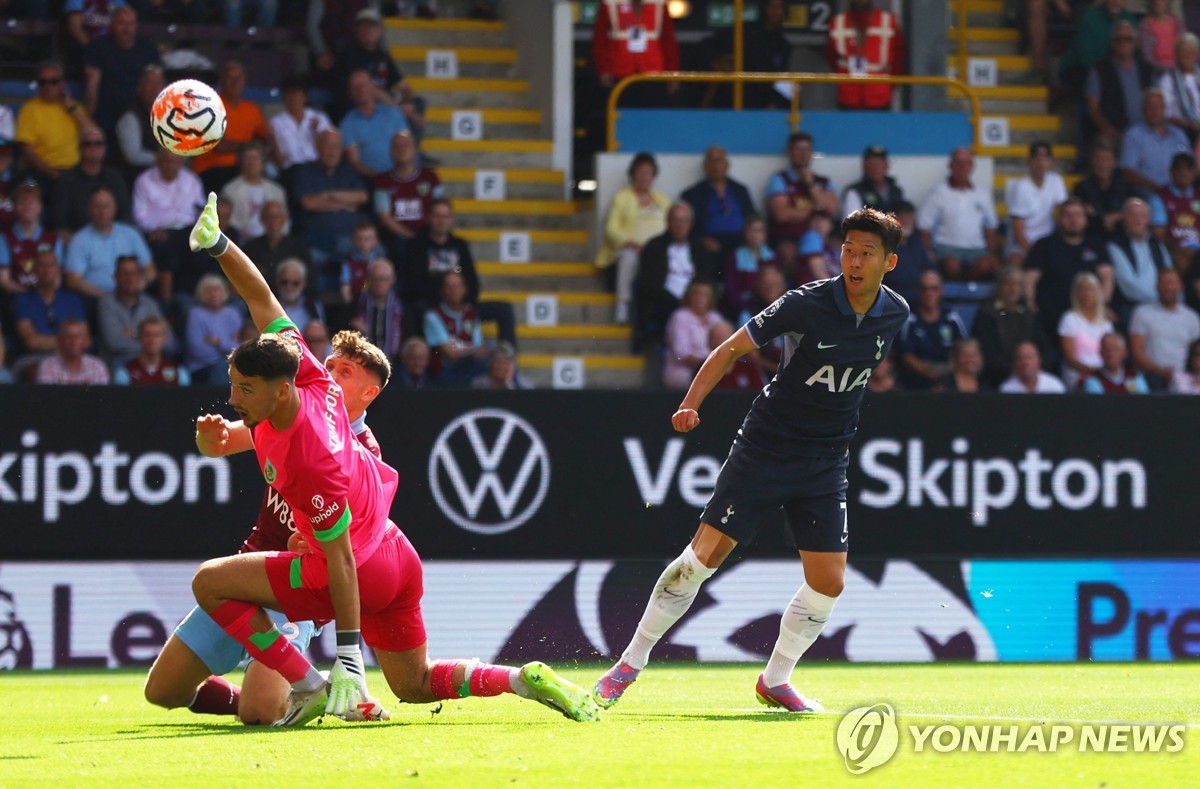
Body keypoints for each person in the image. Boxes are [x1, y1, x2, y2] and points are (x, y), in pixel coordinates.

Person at [186, 194, 600, 725]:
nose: (234, 398)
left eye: (243, 388)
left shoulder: (308, 459)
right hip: (396, 557)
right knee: (416, 684)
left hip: (354, 571)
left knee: (209, 582)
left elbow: (338, 563)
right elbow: (260, 295)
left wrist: (349, 659)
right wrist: (218, 244)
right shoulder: (311, 377)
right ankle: (520, 679)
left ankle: (307, 683)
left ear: (280, 390)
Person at [593, 208, 909, 714]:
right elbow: (729, 349)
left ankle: (775, 680)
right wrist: (690, 403)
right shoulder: (804, 303)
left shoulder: (896, 313)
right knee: (701, 560)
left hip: (827, 459)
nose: (853, 259)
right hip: (767, 448)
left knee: (829, 581)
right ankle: (628, 663)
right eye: (848, 248)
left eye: (866, 252)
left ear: (888, 262)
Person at [144, 328, 390, 725]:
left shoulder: (363, 454)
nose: (329, 373)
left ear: (369, 394)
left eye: (344, 371)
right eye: (328, 364)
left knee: (259, 713)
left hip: (294, 590)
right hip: (250, 571)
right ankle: (301, 695)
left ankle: (305, 691)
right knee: (162, 692)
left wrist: (349, 647)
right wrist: (211, 439)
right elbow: (221, 444)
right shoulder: (291, 411)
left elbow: (351, 550)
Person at [399, 198, 516, 347]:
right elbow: (414, 284)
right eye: (437, 216)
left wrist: (464, 303)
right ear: (429, 217)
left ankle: (507, 357)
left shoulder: (460, 245)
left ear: (451, 219)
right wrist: (445, 302)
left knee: (503, 309)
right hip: (431, 305)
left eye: (445, 216)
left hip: (460, 304)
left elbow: (472, 280)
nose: (441, 221)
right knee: (413, 310)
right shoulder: (416, 245)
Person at [634, 202, 717, 379]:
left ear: (691, 224)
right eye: (676, 220)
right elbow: (649, 285)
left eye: (684, 221)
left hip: (695, 303)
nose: (680, 225)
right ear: (668, 222)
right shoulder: (654, 247)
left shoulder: (699, 248)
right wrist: (678, 303)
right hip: (662, 306)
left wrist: (692, 300)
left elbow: (706, 278)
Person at [594, 152, 670, 325]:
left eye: (648, 172)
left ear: (654, 176)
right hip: (632, 248)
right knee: (629, 257)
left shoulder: (662, 200)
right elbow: (611, 229)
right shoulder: (622, 197)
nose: (644, 177)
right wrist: (630, 242)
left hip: (658, 250)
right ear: (633, 174)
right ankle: (622, 305)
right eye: (641, 172)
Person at [1025, 197, 1114, 339]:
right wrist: (1030, 303)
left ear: (1085, 219)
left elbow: (1107, 278)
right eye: (1068, 215)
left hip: (1087, 312)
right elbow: (1030, 279)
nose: (1073, 220)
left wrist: (1102, 305)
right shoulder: (1044, 245)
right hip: (1051, 314)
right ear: (1059, 219)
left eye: (1078, 215)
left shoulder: (1096, 244)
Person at [133, 145, 207, 305]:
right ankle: (166, 302)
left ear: (181, 163)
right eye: (166, 161)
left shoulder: (191, 179)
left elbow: (201, 207)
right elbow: (139, 215)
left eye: (175, 162)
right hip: (159, 232)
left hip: (187, 229)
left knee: (203, 249)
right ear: (158, 161)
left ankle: (193, 298)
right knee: (165, 249)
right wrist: (153, 229)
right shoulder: (144, 181)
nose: (170, 165)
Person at [292, 129, 369, 282]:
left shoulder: (349, 172)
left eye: (336, 147)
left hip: (352, 241)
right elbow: (309, 203)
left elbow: (362, 197)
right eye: (328, 146)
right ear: (318, 148)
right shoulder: (306, 172)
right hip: (318, 242)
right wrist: (346, 204)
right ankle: (311, 304)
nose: (332, 152)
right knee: (303, 263)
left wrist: (329, 195)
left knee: (376, 253)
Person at [336, 9, 424, 139]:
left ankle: (413, 153)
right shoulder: (351, 54)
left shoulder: (382, 55)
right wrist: (399, 109)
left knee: (419, 103)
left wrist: (409, 103)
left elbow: (404, 86)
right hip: (364, 103)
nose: (368, 30)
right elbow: (371, 90)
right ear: (357, 30)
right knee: (393, 111)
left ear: (380, 29)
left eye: (372, 26)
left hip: (387, 103)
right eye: (364, 26)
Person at [916, 148, 1000, 281]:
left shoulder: (983, 194)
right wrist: (928, 253)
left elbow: (990, 227)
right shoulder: (937, 192)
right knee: (951, 266)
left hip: (977, 250)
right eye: (958, 163)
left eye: (966, 163)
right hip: (946, 248)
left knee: (985, 265)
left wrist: (993, 254)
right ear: (950, 166)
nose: (962, 167)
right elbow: (924, 226)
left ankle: (966, 287)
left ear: (972, 167)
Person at [766, 132, 839, 281]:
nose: (803, 154)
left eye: (807, 150)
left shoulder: (822, 181)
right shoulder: (780, 179)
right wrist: (815, 209)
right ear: (789, 153)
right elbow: (781, 214)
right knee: (788, 252)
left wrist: (810, 184)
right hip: (791, 237)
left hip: (822, 236)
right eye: (799, 149)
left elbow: (832, 209)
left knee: (842, 248)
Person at [191, 61, 272, 196]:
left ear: (244, 82)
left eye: (239, 78)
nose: (235, 82)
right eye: (230, 78)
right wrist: (249, 145)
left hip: (245, 167)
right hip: (212, 169)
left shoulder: (251, 109)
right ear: (221, 82)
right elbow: (219, 146)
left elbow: (264, 139)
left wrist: (257, 145)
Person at [82, 5, 161, 142]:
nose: (126, 29)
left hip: (139, 116)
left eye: (130, 23)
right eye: (121, 23)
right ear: (112, 25)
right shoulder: (98, 47)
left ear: (136, 26)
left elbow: (156, 83)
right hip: (107, 115)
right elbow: (91, 85)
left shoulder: (147, 48)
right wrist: (90, 120)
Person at [15, 60, 95, 191]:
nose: (48, 86)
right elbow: (28, 153)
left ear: (62, 83)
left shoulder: (73, 106)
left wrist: (72, 109)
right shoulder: (29, 110)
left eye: (54, 82)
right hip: (43, 172)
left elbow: (94, 133)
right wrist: (55, 175)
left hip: (75, 171)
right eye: (43, 82)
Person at [63, 187, 155, 300]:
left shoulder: (131, 234)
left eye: (106, 206)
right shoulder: (79, 240)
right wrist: (105, 297)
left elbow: (150, 270)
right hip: (96, 298)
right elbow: (73, 280)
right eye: (97, 207)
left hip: (132, 295)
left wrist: (139, 285)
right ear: (89, 210)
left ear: (114, 209)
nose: (102, 211)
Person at [1084, 21, 1156, 152]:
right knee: (1103, 145)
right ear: (1112, 43)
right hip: (1116, 132)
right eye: (1118, 39)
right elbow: (1093, 108)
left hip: (1145, 130)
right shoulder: (1100, 70)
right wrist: (1107, 128)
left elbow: (1155, 102)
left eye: (1128, 39)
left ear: (1135, 42)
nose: (1123, 43)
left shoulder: (1146, 69)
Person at [591, 0, 679, 106]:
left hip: (653, 72)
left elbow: (669, 42)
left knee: (651, 115)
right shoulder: (610, 3)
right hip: (619, 72)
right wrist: (603, 69)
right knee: (621, 114)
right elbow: (600, 40)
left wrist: (673, 73)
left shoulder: (659, 3)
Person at [973, 265, 1049, 388]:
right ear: (1000, 286)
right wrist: (1011, 370)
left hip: (1030, 377)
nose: (1013, 289)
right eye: (1008, 284)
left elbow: (1044, 348)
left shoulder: (1028, 315)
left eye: (1017, 285)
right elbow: (987, 352)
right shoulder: (987, 314)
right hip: (996, 379)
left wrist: (1033, 368)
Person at [372, 130, 443, 261]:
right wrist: (411, 237)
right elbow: (385, 218)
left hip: (427, 235)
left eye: (406, 145)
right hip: (396, 239)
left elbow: (440, 210)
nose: (401, 149)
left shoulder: (431, 178)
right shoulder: (382, 181)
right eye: (397, 146)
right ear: (391, 152)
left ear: (415, 150)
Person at [50, 126, 131, 236]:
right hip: (76, 238)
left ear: (104, 148)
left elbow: (125, 213)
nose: (93, 147)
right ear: (80, 148)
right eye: (87, 144)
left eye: (98, 143)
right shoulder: (66, 180)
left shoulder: (115, 178)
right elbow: (59, 219)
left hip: (112, 236)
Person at [680, 145, 757, 262]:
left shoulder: (740, 190)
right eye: (712, 161)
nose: (716, 166)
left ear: (727, 165)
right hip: (710, 242)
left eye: (719, 161)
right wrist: (701, 240)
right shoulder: (692, 194)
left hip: (740, 240)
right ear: (705, 166)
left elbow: (752, 217)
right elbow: (685, 226)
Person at [894, 270, 968, 390]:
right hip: (918, 376)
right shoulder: (909, 319)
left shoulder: (952, 318)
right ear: (918, 291)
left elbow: (964, 347)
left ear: (941, 291)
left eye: (934, 289)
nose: (929, 293)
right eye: (924, 289)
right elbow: (906, 356)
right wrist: (933, 377)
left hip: (949, 371)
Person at [825, 0, 905, 110]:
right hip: (848, 96)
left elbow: (898, 58)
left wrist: (888, 87)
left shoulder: (888, 21)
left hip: (879, 96)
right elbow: (831, 56)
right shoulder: (837, 23)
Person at [1129, 267, 1200, 390]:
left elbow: (1195, 353)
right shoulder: (1142, 312)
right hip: (1151, 377)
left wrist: (1180, 376)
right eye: (1164, 282)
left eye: (1172, 282)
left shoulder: (1191, 317)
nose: (1168, 287)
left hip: (1185, 380)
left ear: (1180, 286)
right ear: (1157, 286)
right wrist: (1162, 372)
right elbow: (1137, 352)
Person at [1003, 142, 1069, 267]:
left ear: (1051, 161)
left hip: (1048, 241)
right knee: (1015, 262)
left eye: (1045, 159)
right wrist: (1036, 254)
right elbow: (1018, 234)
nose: (1041, 164)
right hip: (1021, 245)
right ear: (1029, 161)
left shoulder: (1056, 181)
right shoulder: (1021, 186)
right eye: (1037, 159)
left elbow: (1064, 213)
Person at [97, 254, 170, 366]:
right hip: (120, 363)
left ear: (140, 276)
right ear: (116, 277)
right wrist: (151, 343)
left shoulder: (150, 303)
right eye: (125, 274)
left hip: (149, 363)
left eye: (134, 273)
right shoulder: (106, 302)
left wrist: (133, 334)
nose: (130, 278)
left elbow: (170, 341)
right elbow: (114, 343)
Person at [12, 250, 86, 359]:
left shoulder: (72, 300)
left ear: (58, 270)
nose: (46, 270)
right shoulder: (23, 300)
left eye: (51, 265)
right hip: (35, 358)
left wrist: (48, 341)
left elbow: (85, 338)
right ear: (34, 270)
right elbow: (32, 342)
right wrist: (69, 341)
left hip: (70, 357)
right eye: (41, 265)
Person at [341, 69, 411, 182]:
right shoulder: (347, 123)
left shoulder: (393, 114)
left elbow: (408, 145)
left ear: (373, 87)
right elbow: (354, 162)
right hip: (371, 180)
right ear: (350, 93)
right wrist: (380, 178)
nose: (361, 89)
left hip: (401, 177)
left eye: (364, 85)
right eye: (356, 87)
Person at [1108, 197, 1172, 317]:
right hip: (1133, 307)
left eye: (1142, 216)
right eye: (1133, 215)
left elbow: (1169, 276)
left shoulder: (1157, 245)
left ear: (1148, 220)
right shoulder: (1115, 245)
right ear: (1124, 218)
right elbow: (1128, 285)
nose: (1138, 220)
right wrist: (1160, 299)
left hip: (1162, 304)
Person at [422, 269, 488, 387]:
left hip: (471, 368)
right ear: (442, 291)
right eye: (449, 287)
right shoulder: (433, 316)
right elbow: (449, 353)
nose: (454, 291)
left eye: (457, 286)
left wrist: (464, 350)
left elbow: (480, 349)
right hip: (445, 371)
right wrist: (471, 350)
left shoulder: (472, 315)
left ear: (464, 289)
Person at [1121, 90, 1193, 192]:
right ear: (1143, 110)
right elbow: (1128, 172)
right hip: (1150, 193)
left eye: (1159, 106)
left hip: (1181, 192)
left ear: (1164, 109)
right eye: (1151, 107)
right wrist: (1159, 190)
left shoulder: (1179, 134)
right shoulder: (1133, 136)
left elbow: (1190, 166)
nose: (1155, 110)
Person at [662, 280, 728, 389]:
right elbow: (682, 355)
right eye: (696, 294)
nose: (700, 298)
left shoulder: (715, 317)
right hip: (684, 371)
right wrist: (709, 363)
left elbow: (726, 346)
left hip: (712, 368)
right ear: (688, 296)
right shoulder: (679, 317)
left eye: (705, 294)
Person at [0, 181, 61, 296]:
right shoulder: (4, 238)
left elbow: (57, 279)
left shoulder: (53, 239)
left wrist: (40, 298)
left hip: (46, 298)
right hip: (15, 299)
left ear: (40, 206)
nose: (27, 207)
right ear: (15, 207)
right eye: (22, 202)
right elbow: (4, 280)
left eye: (32, 202)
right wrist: (29, 298)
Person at [1058, 271, 1115, 389]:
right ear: (1076, 294)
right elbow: (1070, 359)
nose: (1086, 294)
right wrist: (1095, 373)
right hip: (1078, 375)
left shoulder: (1106, 324)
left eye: (1090, 289)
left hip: (1103, 375)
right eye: (1082, 290)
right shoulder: (1069, 319)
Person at [220, 142, 287, 242]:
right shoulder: (229, 189)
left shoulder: (277, 191)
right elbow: (227, 221)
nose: (251, 162)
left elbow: (285, 222)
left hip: (271, 241)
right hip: (241, 242)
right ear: (241, 162)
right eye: (247, 159)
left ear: (263, 163)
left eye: (255, 158)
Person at [241, 201, 313, 292]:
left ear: (284, 219)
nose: (273, 221)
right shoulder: (250, 248)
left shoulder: (298, 248)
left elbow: (309, 280)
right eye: (270, 217)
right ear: (262, 219)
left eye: (277, 217)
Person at [269, 77, 333, 175]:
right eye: (289, 94)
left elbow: (330, 153)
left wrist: (317, 133)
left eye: (297, 94)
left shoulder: (320, 118)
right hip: (291, 171)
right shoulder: (275, 123)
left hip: (317, 169)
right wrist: (271, 137)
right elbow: (279, 161)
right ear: (284, 97)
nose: (293, 98)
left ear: (305, 97)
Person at [185, 274, 242, 385]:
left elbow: (240, 348)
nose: (214, 294)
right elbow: (196, 351)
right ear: (201, 293)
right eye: (209, 291)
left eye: (217, 290)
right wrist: (226, 349)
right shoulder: (195, 314)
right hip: (203, 368)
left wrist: (218, 342)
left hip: (232, 366)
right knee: (222, 368)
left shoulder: (233, 313)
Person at [1073, 140, 1137, 238]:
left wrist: (1101, 217)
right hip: (1093, 238)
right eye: (1098, 159)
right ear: (1092, 162)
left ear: (1114, 163)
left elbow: (1130, 214)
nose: (1101, 164)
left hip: (1120, 237)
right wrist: (1113, 217)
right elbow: (1084, 219)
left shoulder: (1124, 187)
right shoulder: (1081, 188)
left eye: (1106, 159)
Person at [114, 63, 165, 180]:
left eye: (158, 84)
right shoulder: (130, 116)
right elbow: (133, 155)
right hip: (139, 178)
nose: (154, 89)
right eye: (149, 83)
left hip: (169, 174)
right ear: (139, 88)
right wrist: (166, 159)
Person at [721, 216, 776, 323]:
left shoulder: (772, 257)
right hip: (744, 309)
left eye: (759, 231)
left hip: (769, 306)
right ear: (745, 232)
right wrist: (748, 307)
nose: (755, 235)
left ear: (765, 234)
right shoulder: (735, 257)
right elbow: (732, 290)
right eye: (752, 230)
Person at [114, 314, 190, 385]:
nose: (152, 340)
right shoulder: (125, 372)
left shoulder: (179, 372)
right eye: (147, 335)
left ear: (164, 339)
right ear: (140, 338)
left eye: (156, 335)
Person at [1154, 152, 1200, 269]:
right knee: (1182, 263)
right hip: (1173, 252)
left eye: (1188, 169)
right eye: (1179, 169)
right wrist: (1179, 250)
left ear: (1194, 172)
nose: (1183, 173)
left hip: (1197, 252)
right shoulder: (1160, 197)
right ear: (1171, 171)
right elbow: (1158, 234)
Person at [885, 200, 935, 307]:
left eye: (910, 217)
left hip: (918, 300)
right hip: (890, 300)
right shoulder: (883, 246)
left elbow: (929, 271)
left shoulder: (917, 244)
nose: (907, 222)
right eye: (903, 217)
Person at [351, 258, 404, 360]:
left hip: (395, 362)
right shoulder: (358, 302)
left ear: (393, 279)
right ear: (369, 280)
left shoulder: (401, 305)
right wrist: (354, 326)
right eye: (375, 279)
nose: (380, 283)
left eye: (384, 279)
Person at [35, 317, 110, 384]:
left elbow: (101, 398)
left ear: (86, 341)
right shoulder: (48, 366)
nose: (73, 341)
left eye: (78, 337)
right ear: (60, 340)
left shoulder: (97, 367)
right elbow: (46, 398)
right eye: (68, 336)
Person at [840, 146, 906, 220]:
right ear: (864, 167)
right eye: (872, 163)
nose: (876, 168)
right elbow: (851, 224)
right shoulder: (855, 192)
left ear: (887, 166)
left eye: (879, 163)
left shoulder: (896, 191)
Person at [1082, 331, 1149, 392]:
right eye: (1106, 349)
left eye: (1115, 349)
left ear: (1124, 352)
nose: (1110, 353)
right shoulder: (1093, 379)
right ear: (1100, 352)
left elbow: (1144, 401)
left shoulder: (1134, 376)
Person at [274, 258, 325, 330]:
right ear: (277, 282)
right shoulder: (269, 306)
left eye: (295, 283)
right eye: (284, 282)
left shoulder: (314, 307)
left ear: (304, 284)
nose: (289, 287)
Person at [341, 221, 385, 305]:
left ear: (376, 241)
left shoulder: (381, 262)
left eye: (367, 239)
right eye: (359, 239)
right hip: (357, 301)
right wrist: (350, 305)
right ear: (353, 240)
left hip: (378, 302)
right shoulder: (348, 263)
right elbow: (345, 286)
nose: (363, 242)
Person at [998, 341, 1066, 393]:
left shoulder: (1054, 386)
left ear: (1039, 361)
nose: (1025, 362)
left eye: (1029, 358)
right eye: (1020, 358)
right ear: (1014, 363)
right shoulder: (1007, 389)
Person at [1140, 0, 1181, 72]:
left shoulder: (1177, 23)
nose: (1158, 2)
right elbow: (1148, 57)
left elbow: (1185, 48)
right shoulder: (1145, 25)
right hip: (1156, 71)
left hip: (1178, 69)